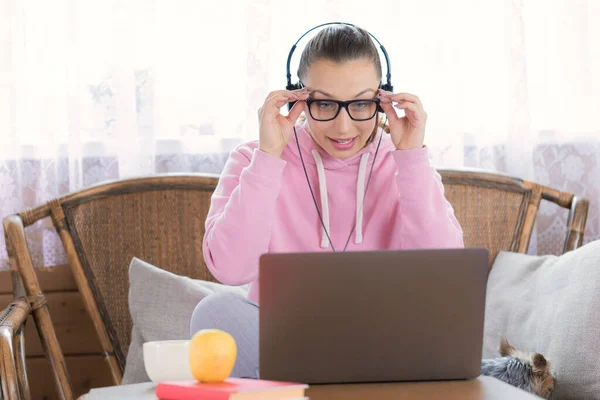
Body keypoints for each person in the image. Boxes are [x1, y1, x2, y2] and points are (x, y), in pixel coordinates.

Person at [189, 24, 464, 379]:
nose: (343, 127)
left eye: (361, 104)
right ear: (298, 101)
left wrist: (411, 160)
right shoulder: (254, 160)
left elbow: (444, 275)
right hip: (285, 347)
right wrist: (270, 157)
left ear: (383, 101)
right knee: (214, 314)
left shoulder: (406, 162)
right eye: (325, 104)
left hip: (385, 342)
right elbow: (230, 269)